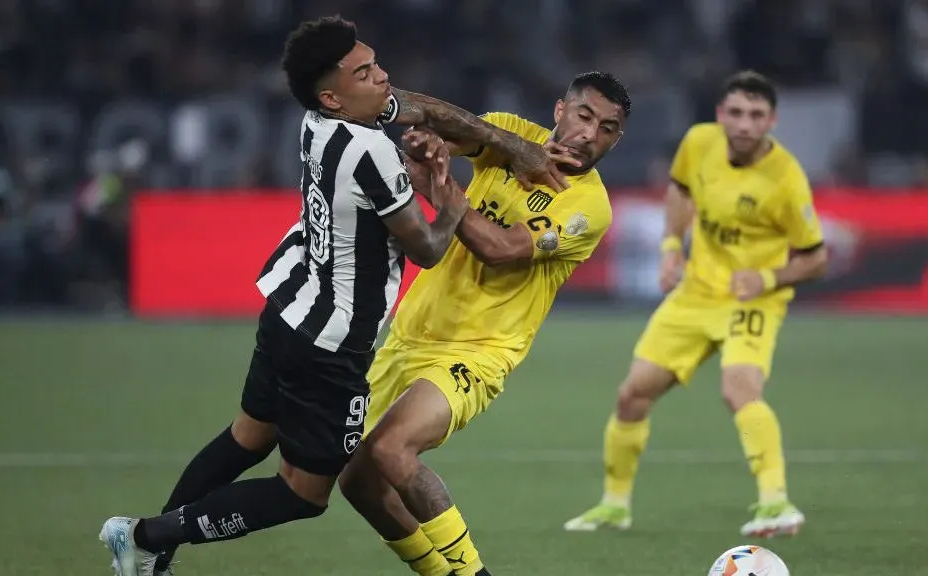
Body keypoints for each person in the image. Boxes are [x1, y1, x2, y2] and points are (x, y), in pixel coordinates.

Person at [98, 16, 569, 576]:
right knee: (303, 494)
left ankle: (149, 558)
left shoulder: (318, 122)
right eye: (365, 72)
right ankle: (143, 535)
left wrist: (505, 145)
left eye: (376, 63)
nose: (382, 77)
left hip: (289, 304)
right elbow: (428, 248)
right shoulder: (370, 151)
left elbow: (421, 109)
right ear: (333, 95)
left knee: (246, 438)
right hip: (330, 343)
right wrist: (444, 188)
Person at [336, 71, 632, 576]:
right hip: (410, 334)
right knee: (356, 480)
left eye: (606, 128)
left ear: (616, 138)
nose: (590, 134)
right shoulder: (506, 133)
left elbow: (500, 249)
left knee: (393, 448)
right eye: (584, 116)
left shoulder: (589, 207)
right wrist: (425, 148)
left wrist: (443, 188)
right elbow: (432, 138)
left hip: (478, 350)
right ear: (560, 110)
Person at [563, 70, 828, 538]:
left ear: (772, 121)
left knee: (739, 390)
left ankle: (776, 503)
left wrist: (766, 276)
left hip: (753, 301)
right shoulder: (699, 142)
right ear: (721, 115)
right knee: (632, 395)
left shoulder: (786, 178)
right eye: (738, 113)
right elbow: (681, 190)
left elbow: (816, 258)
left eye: (757, 115)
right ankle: (614, 506)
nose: (745, 124)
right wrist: (670, 248)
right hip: (695, 294)